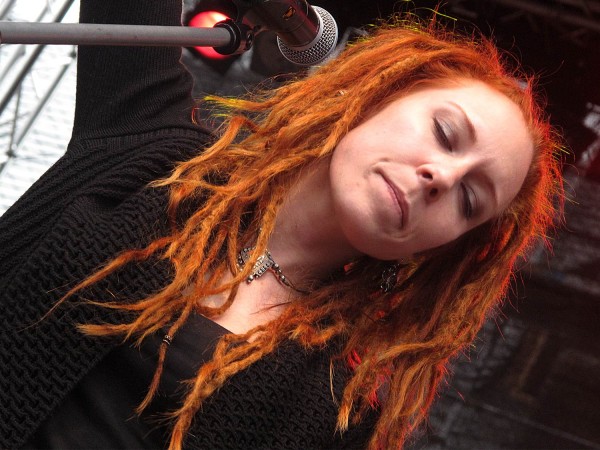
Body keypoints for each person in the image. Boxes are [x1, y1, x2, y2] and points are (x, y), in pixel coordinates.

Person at [0, 0, 563, 449]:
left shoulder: (336, 410)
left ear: (441, 248)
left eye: (470, 199)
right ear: (374, 95)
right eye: (445, 133)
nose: (440, 176)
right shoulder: (153, 149)